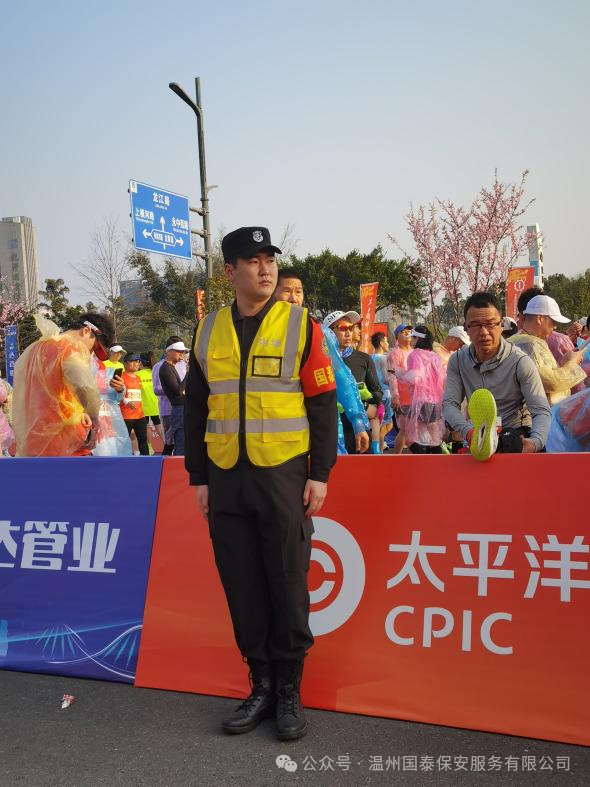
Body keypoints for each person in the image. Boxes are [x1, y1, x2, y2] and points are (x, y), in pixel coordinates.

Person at [185, 226, 337, 741]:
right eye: (253, 261)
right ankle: (261, 686)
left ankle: (290, 691)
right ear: (230, 272)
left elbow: (322, 403)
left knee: (287, 581)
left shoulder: (301, 326)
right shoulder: (208, 330)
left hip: (283, 473)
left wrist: (320, 473)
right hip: (225, 475)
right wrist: (199, 477)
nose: (266, 268)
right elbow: (196, 407)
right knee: (243, 583)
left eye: (270, 259)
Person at [443, 291, 551, 458]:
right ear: (466, 328)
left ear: (501, 325)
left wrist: (535, 442)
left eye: (490, 324)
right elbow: (449, 404)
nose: (484, 332)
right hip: (479, 437)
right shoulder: (457, 360)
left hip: (515, 437)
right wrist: (469, 432)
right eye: (476, 325)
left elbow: (541, 410)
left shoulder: (520, 362)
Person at [274, 275, 369, 455]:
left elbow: (341, 377)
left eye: (298, 292)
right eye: (286, 291)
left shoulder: (316, 330)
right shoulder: (260, 329)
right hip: (275, 431)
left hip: (320, 422)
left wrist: (358, 422)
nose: (293, 298)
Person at [12, 313, 112, 456]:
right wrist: (95, 421)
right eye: (94, 347)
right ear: (86, 330)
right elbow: (85, 387)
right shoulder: (69, 347)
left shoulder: (35, 349)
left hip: (34, 438)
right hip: (65, 439)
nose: (91, 353)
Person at [508, 295, 586, 406]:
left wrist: (564, 363)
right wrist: (572, 362)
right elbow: (551, 383)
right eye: (553, 321)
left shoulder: (513, 340)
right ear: (540, 319)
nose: (555, 327)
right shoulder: (531, 344)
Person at [324, 310, 382, 454]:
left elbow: (377, 393)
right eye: (343, 328)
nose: (348, 333)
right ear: (328, 332)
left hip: (358, 431)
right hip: (330, 432)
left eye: (351, 328)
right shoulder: (320, 360)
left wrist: (360, 401)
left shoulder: (364, 359)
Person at [401, 326, 445, 453]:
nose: (410, 341)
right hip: (436, 402)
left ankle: (422, 460)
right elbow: (442, 379)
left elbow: (415, 378)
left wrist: (401, 375)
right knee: (434, 438)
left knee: (411, 438)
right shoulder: (435, 356)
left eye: (412, 338)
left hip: (421, 401)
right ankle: (436, 461)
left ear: (417, 339)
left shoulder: (414, 355)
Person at [158, 339, 189, 456]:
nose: (181, 354)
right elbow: (178, 391)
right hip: (178, 408)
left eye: (183, 352)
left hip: (181, 408)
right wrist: (188, 373)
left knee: (183, 442)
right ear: (169, 351)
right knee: (180, 444)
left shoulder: (171, 367)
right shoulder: (165, 368)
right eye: (178, 351)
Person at [387, 324, 413, 454]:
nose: (407, 333)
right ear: (397, 336)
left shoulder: (414, 352)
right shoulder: (395, 354)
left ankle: (415, 457)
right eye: (403, 332)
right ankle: (396, 457)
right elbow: (391, 376)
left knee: (414, 429)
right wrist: (395, 396)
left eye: (409, 331)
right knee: (404, 429)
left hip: (415, 396)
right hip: (403, 397)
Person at [119, 353, 149, 455]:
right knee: (123, 441)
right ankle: (121, 461)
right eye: (133, 361)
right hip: (125, 416)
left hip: (140, 415)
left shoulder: (138, 378)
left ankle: (147, 461)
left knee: (143, 440)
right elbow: (115, 394)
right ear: (125, 363)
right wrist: (126, 401)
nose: (136, 363)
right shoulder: (121, 377)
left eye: (138, 361)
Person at [370, 331, 394, 452]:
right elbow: (386, 378)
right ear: (381, 343)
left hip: (375, 394)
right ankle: (379, 446)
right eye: (386, 341)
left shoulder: (370, 357)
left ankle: (379, 446)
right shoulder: (384, 358)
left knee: (377, 422)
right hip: (385, 394)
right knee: (388, 423)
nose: (388, 343)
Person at [138, 352, 164, 447]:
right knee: (158, 426)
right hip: (156, 404)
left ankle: (149, 449)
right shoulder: (155, 372)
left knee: (146, 428)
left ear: (140, 362)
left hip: (142, 406)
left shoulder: (137, 374)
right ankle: (168, 446)